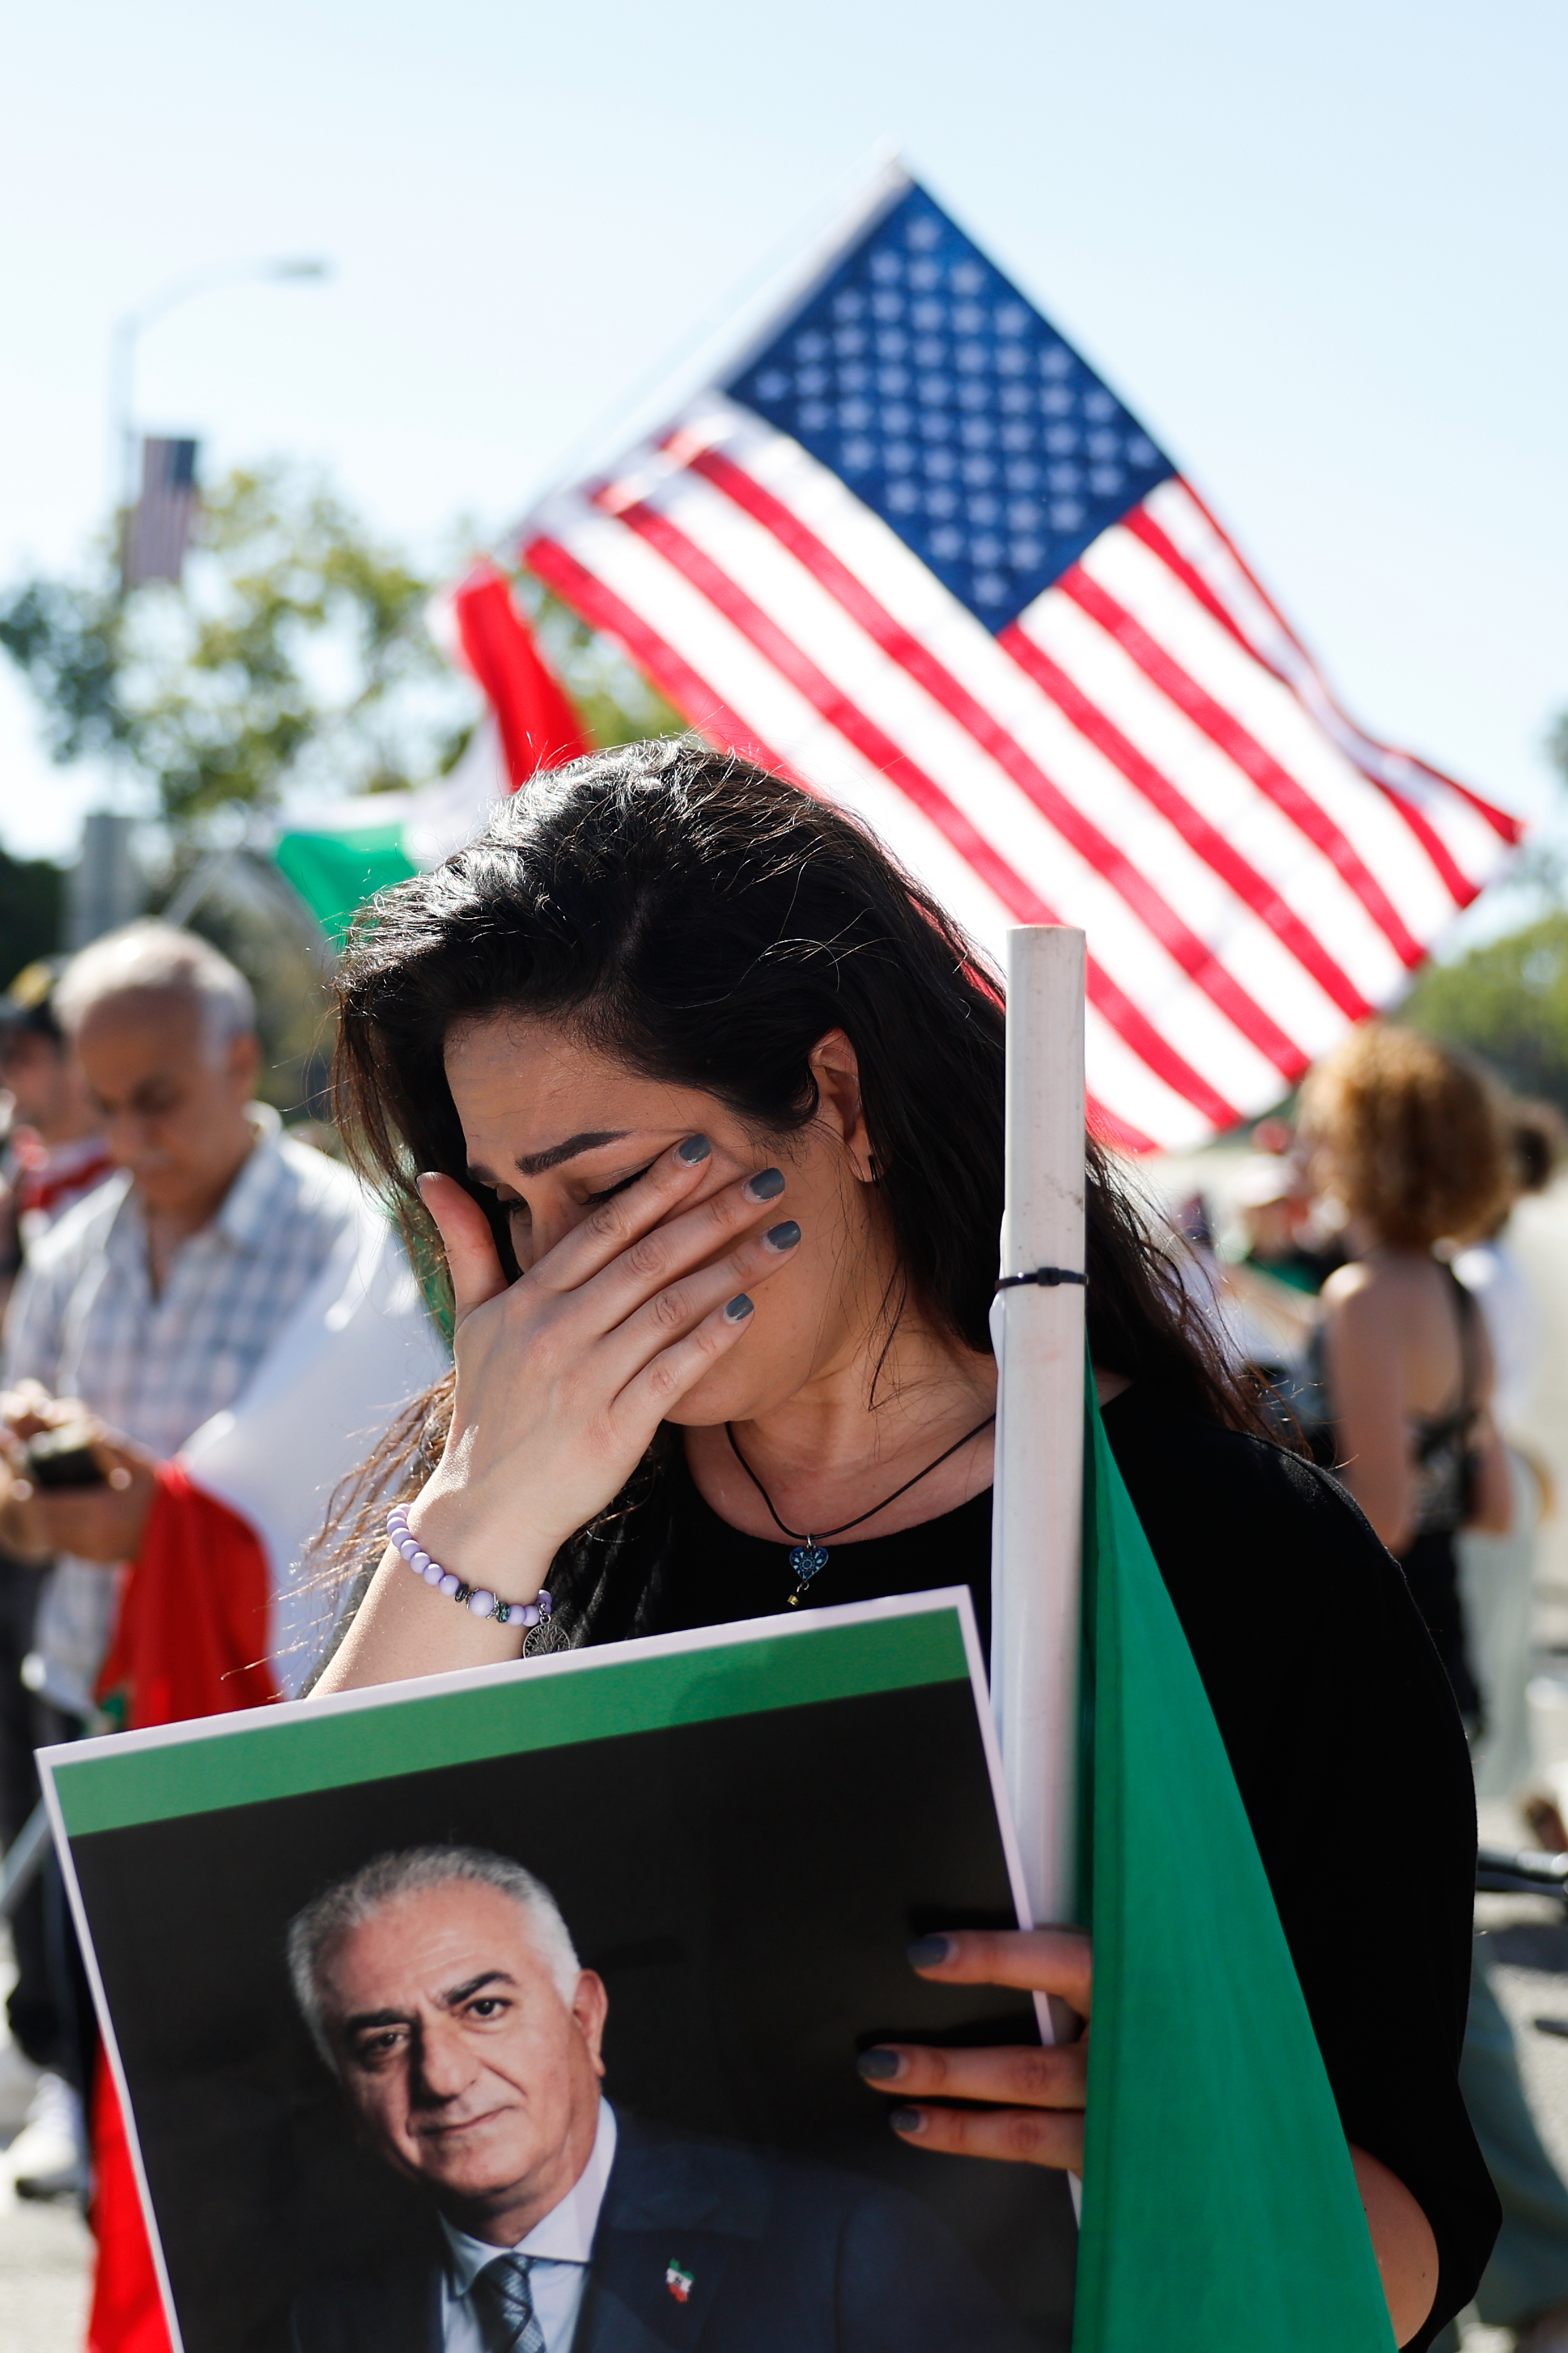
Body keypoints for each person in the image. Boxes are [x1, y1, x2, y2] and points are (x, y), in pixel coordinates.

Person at [311, 740, 1496, 2352]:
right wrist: (479, 1514)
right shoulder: (525, 1529)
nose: (559, 1275)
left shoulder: (1236, 1555)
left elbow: (1407, 2251)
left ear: (840, 1100)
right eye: (513, 1207)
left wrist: (1204, 2136)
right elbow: (294, 1916)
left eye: (608, 1187)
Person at [0, 920, 368, 2235]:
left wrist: (162, 1527)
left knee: (261, 2088)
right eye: (103, 1106)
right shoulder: (77, 1247)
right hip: (90, 1698)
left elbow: (366, 1494)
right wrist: (46, 1509)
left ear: (239, 1061)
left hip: (260, 1719)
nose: (131, 1138)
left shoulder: (348, 1246)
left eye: (155, 1099)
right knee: (106, 2047)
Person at [285, 1844, 1035, 2353]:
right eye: (385, 2041)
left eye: (484, 2007)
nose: (444, 2075)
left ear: (585, 2018)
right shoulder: (327, 2323)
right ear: (348, 2094)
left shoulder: (842, 2247)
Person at [1303, 1031, 1568, 2353]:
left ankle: (1508, 2272)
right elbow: (1488, 1495)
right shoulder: (1452, 1295)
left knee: (1414, 1997)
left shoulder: (1363, 1296)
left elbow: (1384, 1514)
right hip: (1445, 1662)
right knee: (1437, 1979)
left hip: (1379, 1676)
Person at [0, 957, 113, 2199]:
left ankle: (87, 2080)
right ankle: (56, 2068)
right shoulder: (27, 1186)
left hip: (97, 1545)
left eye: (35, 1050)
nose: (17, 1075)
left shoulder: (120, 1197)